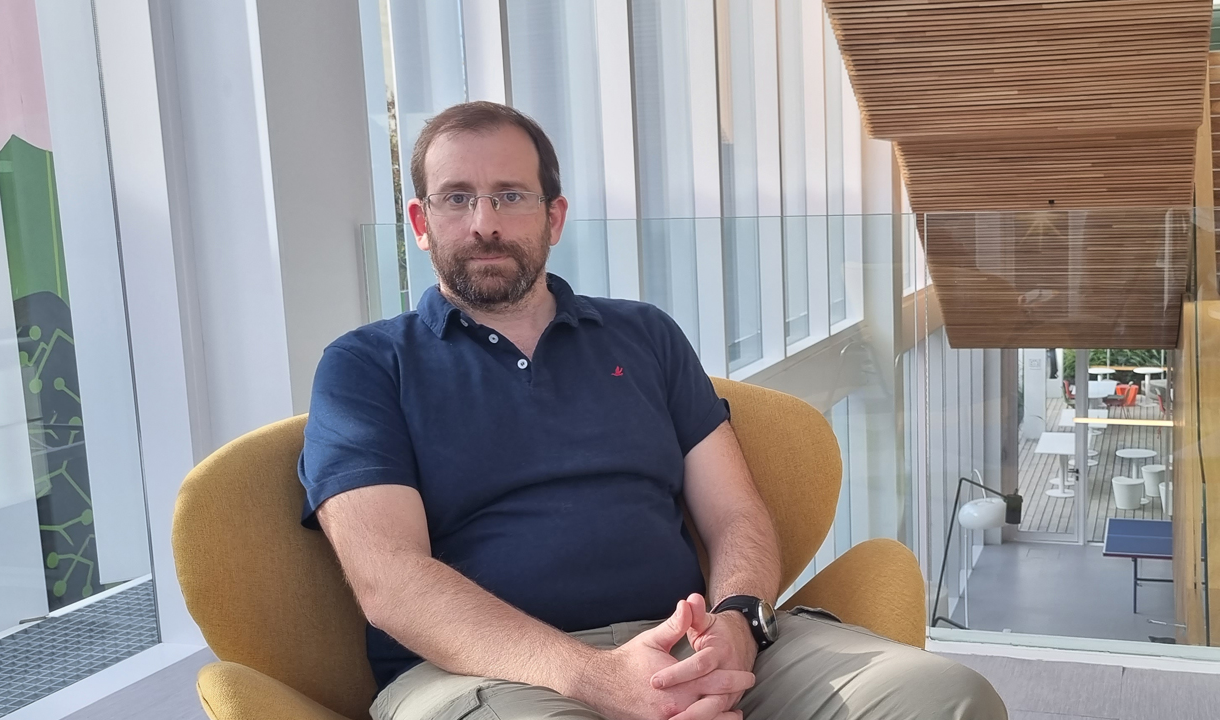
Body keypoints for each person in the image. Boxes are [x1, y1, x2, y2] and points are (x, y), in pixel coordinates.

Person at [299, 101, 1007, 720]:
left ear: (554, 216)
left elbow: (736, 514)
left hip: (685, 642)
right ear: (421, 222)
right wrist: (597, 677)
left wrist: (735, 625)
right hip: (485, 671)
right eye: (457, 198)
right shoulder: (366, 366)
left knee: (949, 699)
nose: (484, 223)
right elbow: (389, 579)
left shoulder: (644, 335)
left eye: (510, 195)